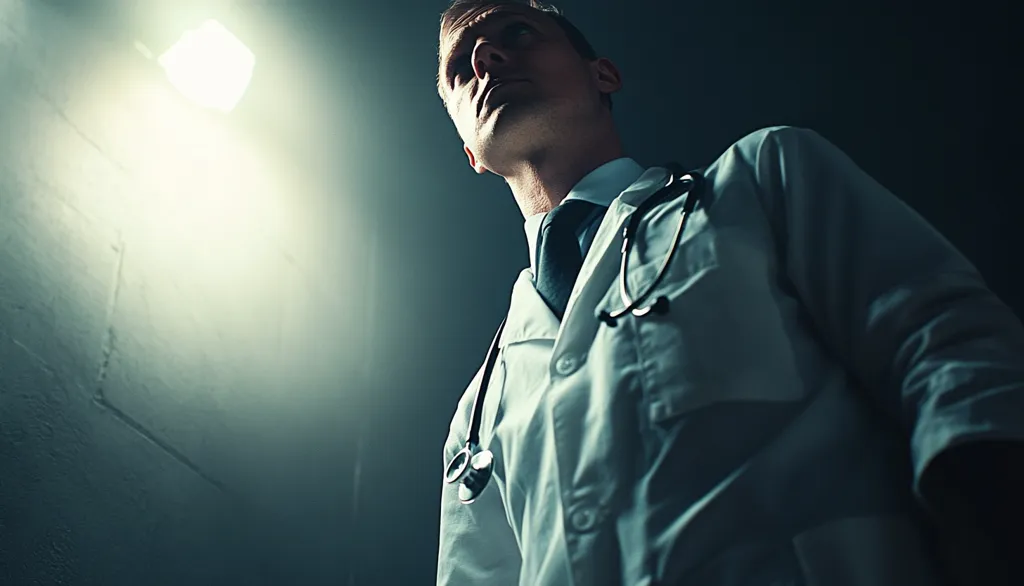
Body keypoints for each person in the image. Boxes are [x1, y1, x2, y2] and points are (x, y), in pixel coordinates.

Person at [433, 1, 1024, 585]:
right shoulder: (476, 416)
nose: (488, 56)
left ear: (603, 74)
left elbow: (948, 350)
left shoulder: (763, 176)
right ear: (469, 155)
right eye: (464, 64)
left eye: (518, 32)